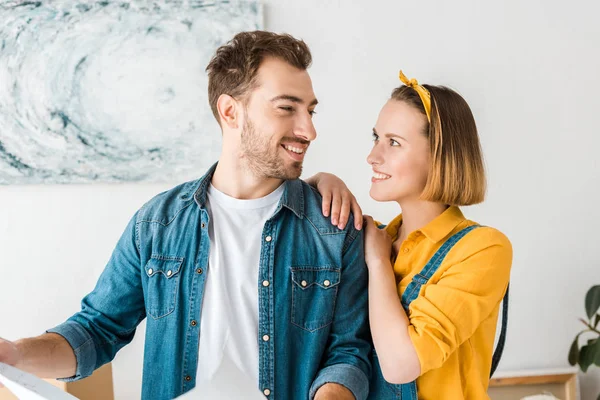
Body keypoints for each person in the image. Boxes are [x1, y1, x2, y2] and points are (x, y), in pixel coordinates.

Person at [0, 31, 371, 400]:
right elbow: (97, 330)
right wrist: (14, 354)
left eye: (310, 110)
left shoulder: (335, 228)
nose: (309, 129)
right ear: (230, 112)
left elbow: (349, 353)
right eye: (287, 108)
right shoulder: (156, 224)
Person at [316, 71, 512, 399]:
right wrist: (323, 180)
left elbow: (400, 365)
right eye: (375, 138)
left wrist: (378, 262)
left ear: (439, 155)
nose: (373, 156)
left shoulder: (483, 249)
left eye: (393, 142)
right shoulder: (370, 236)